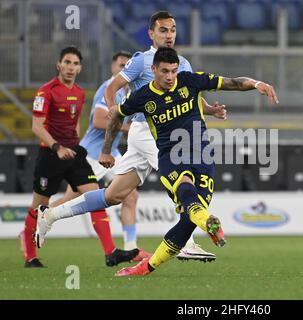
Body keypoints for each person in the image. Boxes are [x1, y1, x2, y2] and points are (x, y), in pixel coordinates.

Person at [35, 47, 279, 277]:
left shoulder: (189, 80)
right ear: (153, 69)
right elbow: (116, 116)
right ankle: (203, 228)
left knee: (116, 197)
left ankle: (53, 216)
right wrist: (107, 150)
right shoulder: (143, 95)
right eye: (165, 71)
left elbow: (233, 83)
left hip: (202, 157)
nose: (171, 76)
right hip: (169, 156)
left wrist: (257, 84)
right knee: (185, 190)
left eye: (174, 71)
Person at [103, 11, 226, 262]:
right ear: (151, 33)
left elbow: (190, 97)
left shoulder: (182, 63)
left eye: (172, 30)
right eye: (163, 30)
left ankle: (53, 214)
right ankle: (188, 243)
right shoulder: (141, 61)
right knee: (180, 181)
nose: (169, 35)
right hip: (146, 130)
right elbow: (113, 88)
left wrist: (210, 110)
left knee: (115, 195)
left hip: (169, 133)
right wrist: (112, 113)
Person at [20, 46, 139, 268]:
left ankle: (110, 252)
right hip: (50, 154)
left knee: (96, 198)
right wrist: (57, 147)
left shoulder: (80, 93)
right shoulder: (45, 91)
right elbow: (36, 126)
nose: (70, 67)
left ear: (80, 68)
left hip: (75, 154)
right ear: (59, 65)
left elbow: (74, 123)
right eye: (67, 62)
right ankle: (30, 255)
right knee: (40, 205)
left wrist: (72, 143)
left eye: (75, 64)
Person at [50, 51, 151, 261]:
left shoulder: (131, 91)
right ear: (113, 68)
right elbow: (97, 121)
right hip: (92, 153)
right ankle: (39, 219)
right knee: (72, 198)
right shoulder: (108, 89)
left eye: (128, 65)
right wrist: (128, 128)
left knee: (131, 195)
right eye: (121, 65)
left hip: (111, 152)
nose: (124, 69)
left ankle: (131, 248)